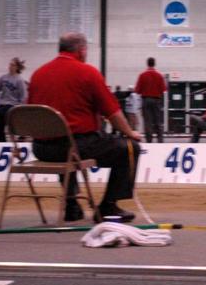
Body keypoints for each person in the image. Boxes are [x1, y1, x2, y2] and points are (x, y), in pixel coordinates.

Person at [28, 32, 141, 222]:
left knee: (63, 142)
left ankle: (72, 205)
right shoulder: (87, 72)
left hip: (41, 149)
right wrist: (130, 132)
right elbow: (112, 113)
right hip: (75, 147)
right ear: (82, 51)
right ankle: (108, 206)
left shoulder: (38, 74)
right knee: (129, 149)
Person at [0, 57, 27, 142]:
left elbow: (23, 96)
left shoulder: (19, 80)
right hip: (2, 104)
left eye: (12, 65)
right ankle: (1, 143)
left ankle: (21, 136)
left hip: (12, 105)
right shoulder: (4, 78)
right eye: (9, 64)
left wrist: (21, 108)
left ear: (17, 67)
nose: (10, 66)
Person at [135, 57, 167, 143]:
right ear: (154, 64)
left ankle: (149, 141)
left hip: (146, 100)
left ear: (147, 64)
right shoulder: (159, 76)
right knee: (158, 120)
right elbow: (163, 89)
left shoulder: (142, 75)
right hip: (156, 100)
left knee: (147, 121)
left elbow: (137, 90)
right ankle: (160, 140)